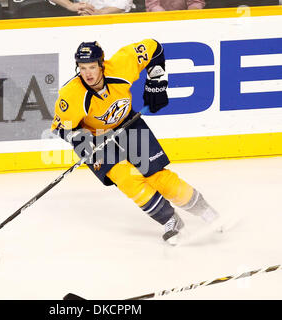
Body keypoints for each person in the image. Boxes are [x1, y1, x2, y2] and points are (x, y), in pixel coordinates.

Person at [50, 40, 219, 245]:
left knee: (156, 176)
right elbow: (61, 127)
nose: (88, 73)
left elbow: (154, 47)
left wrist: (155, 80)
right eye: (83, 68)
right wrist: (83, 140)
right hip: (95, 137)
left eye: (92, 67)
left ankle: (205, 210)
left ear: (102, 64)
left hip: (128, 123)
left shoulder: (121, 65)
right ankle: (170, 220)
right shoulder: (71, 94)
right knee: (126, 178)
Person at [48, 0, 135, 15]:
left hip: (113, 18)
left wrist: (99, 13)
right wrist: (69, 5)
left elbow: (124, 4)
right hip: (78, 15)